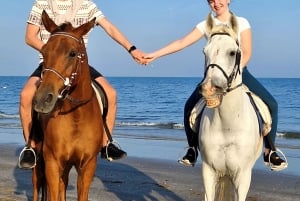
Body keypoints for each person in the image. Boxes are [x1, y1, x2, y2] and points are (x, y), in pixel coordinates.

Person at [143, 0, 287, 170]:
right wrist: (154, 55)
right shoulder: (205, 25)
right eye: (211, 1)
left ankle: (270, 151)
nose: (215, 3)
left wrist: (234, 74)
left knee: (272, 104)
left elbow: (247, 51)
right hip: (212, 76)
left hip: (238, 73)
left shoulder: (241, 22)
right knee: (189, 106)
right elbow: (181, 43)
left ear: (228, 0)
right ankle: (192, 149)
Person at [18, 0, 144, 169]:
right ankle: (31, 147)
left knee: (111, 94)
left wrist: (132, 49)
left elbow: (109, 28)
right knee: (26, 96)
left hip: (77, 64)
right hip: (51, 64)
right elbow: (30, 37)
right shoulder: (42, 3)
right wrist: (54, 54)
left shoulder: (85, 4)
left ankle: (106, 144)